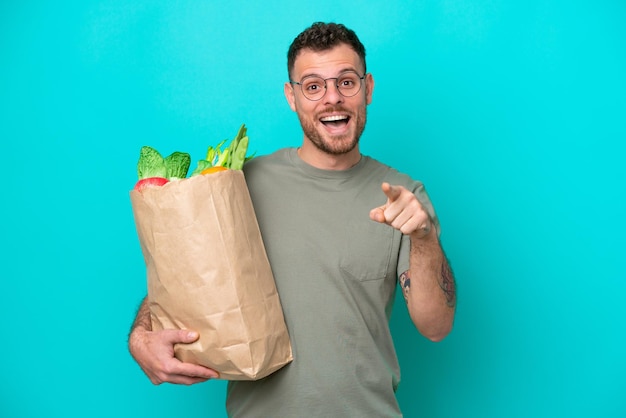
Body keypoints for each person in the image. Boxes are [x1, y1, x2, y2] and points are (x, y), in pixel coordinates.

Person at [128, 21, 456, 417]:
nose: (332, 98)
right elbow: (185, 280)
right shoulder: (239, 184)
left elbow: (436, 326)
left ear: (367, 89)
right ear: (292, 97)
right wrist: (141, 336)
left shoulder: (405, 196)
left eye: (346, 82)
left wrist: (423, 237)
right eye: (313, 86)